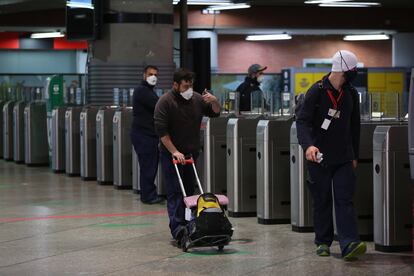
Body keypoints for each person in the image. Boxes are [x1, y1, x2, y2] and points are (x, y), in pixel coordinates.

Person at [296, 50, 366, 261]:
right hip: (319, 157)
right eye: (353, 70)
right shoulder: (316, 91)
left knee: (345, 199)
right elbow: (303, 121)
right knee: (322, 199)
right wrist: (308, 146)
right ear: (344, 69)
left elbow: (355, 126)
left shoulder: (351, 93)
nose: (355, 74)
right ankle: (323, 242)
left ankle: (349, 243)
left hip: (344, 156)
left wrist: (355, 154)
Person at [154, 68, 221, 245]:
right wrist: (174, 151)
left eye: (191, 85)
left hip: (191, 153)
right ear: (175, 85)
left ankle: (190, 224)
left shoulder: (197, 99)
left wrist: (215, 101)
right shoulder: (165, 102)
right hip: (171, 154)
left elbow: (215, 112)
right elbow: (162, 132)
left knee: (190, 192)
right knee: (176, 192)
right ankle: (177, 229)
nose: (189, 89)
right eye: (185, 86)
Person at [130, 65, 164, 204]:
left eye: (155, 74)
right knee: (149, 166)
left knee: (149, 165)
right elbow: (159, 106)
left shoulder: (149, 91)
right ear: (144, 75)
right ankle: (148, 196)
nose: (153, 77)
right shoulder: (142, 91)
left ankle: (149, 193)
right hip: (144, 135)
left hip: (147, 134)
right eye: (150, 74)